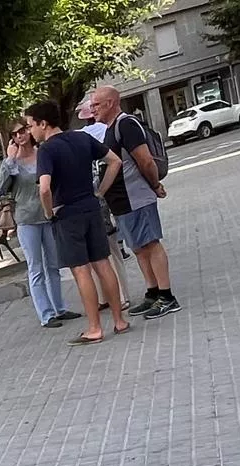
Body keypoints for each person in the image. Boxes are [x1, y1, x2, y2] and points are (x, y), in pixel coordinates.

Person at [26, 100, 129, 346]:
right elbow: (115, 161)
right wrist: (100, 192)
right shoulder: (83, 138)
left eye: (31, 125)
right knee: (103, 264)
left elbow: (44, 188)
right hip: (91, 207)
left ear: (43, 123)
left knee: (81, 270)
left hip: (67, 214)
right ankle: (119, 320)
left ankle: (94, 327)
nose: (30, 131)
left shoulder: (47, 150)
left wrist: (49, 213)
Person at [89, 86, 179, 320]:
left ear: (110, 103)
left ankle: (167, 296)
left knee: (150, 244)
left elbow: (145, 160)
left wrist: (155, 185)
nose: (92, 109)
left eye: (96, 104)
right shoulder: (109, 128)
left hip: (136, 196)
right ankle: (152, 292)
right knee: (138, 248)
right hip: (121, 201)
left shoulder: (126, 124)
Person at [0, 119, 75, 326]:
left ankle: (60, 308)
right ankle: (46, 314)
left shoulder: (43, 153)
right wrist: (9, 160)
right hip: (26, 219)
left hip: (48, 215)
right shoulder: (12, 162)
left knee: (53, 265)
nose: (20, 136)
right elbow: (0, 186)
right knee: (36, 268)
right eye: (15, 134)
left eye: (22, 131)